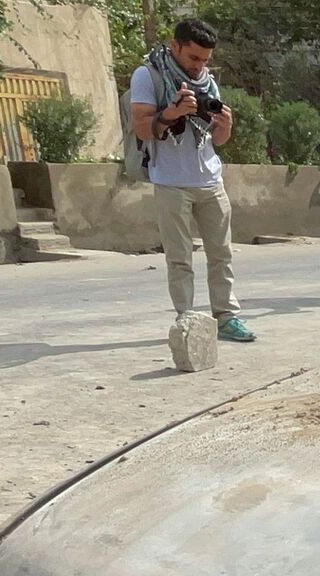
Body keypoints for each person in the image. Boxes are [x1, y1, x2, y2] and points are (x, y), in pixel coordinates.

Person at [129, 19, 255, 342]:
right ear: (175, 47)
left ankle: (226, 316)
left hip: (210, 180)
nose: (199, 66)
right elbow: (141, 128)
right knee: (179, 257)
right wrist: (171, 113)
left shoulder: (208, 84)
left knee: (221, 254)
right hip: (171, 181)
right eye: (193, 58)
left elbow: (218, 140)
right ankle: (186, 319)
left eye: (205, 60)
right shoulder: (149, 76)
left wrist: (225, 124)